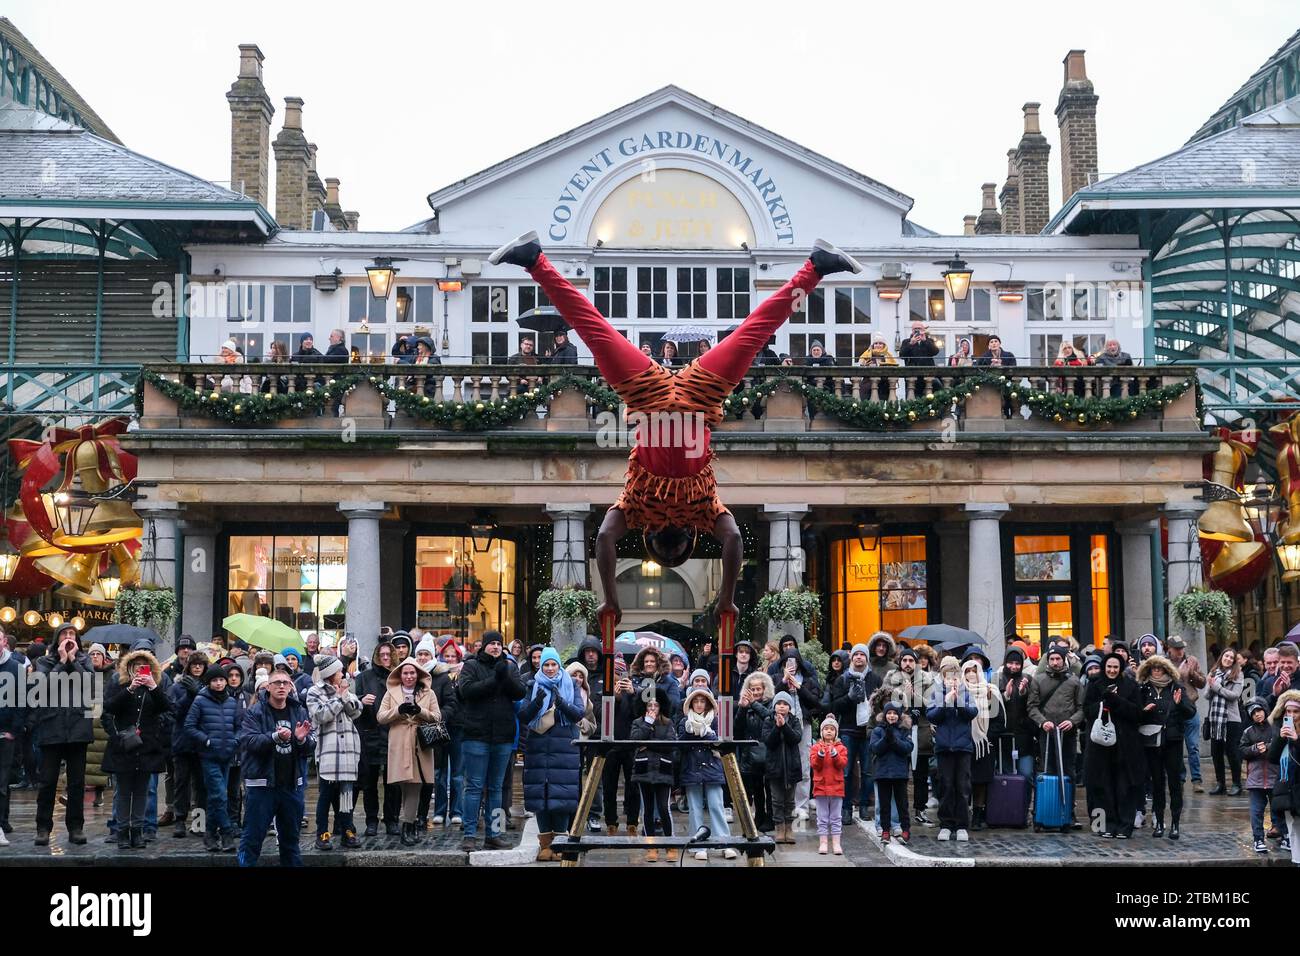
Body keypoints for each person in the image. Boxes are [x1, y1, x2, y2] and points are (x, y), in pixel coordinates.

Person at [491, 231, 861, 631]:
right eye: (676, 554)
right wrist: (726, 600)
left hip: (649, 393)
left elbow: (604, 540)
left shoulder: (637, 509)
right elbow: (733, 540)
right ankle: (817, 266)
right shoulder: (701, 511)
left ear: (655, 539)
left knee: (594, 327)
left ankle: (534, 260)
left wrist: (612, 601)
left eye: (667, 553)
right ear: (687, 540)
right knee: (753, 330)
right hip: (698, 395)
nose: (671, 549)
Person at [237, 670, 316, 867]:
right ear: (268, 687)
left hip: (291, 786)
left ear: (290, 687)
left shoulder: (299, 711)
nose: (281, 686)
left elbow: (310, 747)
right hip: (262, 786)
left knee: (290, 842)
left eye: (285, 683)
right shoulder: (255, 712)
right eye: (276, 683)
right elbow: (249, 742)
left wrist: (301, 739)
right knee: (252, 839)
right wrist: (276, 737)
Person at [457, 631, 526, 851]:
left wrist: (504, 676)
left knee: (496, 788)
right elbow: (467, 691)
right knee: (475, 787)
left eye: (499, 643)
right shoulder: (471, 666)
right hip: (476, 735)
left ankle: (494, 833)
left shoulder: (509, 667)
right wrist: (494, 679)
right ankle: (469, 834)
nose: (496, 647)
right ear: (484, 646)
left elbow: (520, 692)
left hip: (502, 737)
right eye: (492, 643)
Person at [102, 643, 171, 850]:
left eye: (144, 665)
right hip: (124, 744)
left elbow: (166, 707)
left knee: (142, 791)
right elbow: (110, 708)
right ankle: (122, 831)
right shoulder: (119, 683)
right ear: (129, 667)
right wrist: (130, 689)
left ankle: (138, 831)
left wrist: (152, 686)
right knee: (123, 791)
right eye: (136, 665)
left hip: (147, 746)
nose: (140, 669)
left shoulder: (154, 686)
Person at [518, 647, 584, 861]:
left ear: (559, 665)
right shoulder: (532, 684)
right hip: (538, 748)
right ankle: (545, 846)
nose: (549, 668)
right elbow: (524, 715)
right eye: (546, 664)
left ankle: (560, 844)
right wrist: (537, 700)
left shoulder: (570, 683)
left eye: (553, 664)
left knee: (561, 796)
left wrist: (561, 702)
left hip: (564, 748)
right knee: (541, 796)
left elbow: (578, 713)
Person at [30, 626, 94, 846]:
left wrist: (73, 660)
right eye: (64, 635)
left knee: (76, 783)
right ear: (57, 639)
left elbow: (89, 684)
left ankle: (75, 827)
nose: (68, 638)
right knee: (47, 782)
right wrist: (61, 661)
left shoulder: (85, 661)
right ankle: (43, 828)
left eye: (72, 635)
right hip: (52, 727)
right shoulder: (44, 662)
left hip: (77, 728)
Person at [377, 658, 441, 846]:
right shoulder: (391, 693)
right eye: (405, 673)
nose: (409, 676)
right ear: (400, 675)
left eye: (412, 672)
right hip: (399, 741)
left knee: (415, 784)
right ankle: (410, 822)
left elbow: (437, 716)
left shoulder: (428, 693)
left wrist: (420, 711)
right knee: (403, 784)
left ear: (418, 674)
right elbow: (380, 717)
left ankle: (408, 826)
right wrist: (398, 710)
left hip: (420, 742)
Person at [1082, 653, 1144, 839]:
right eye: (1109, 666)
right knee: (1102, 786)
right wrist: (1104, 702)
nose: (1112, 670)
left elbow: (1136, 713)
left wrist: (1116, 700)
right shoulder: (1094, 685)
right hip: (1100, 745)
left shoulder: (1131, 686)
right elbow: (1087, 710)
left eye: (1115, 667)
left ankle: (1125, 825)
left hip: (1125, 745)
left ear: (1121, 668)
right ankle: (1105, 825)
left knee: (1124, 786)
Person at [304, 655, 363, 851]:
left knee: (346, 793)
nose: (342, 674)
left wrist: (345, 696)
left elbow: (356, 712)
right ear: (330, 674)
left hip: (348, 751)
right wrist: (338, 698)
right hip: (329, 751)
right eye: (339, 671)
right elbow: (321, 715)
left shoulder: (345, 689)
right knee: (326, 795)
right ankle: (322, 833)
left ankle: (347, 830)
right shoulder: (315, 691)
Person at [184, 664, 243, 852]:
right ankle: (226, 833)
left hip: (227, 755)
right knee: (219, 795)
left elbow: (240, 726)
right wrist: (206, 741)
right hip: (209, 755)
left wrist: (236, 741)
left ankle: (210, 834)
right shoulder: (200, 701)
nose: (218, 683)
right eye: (215, 680)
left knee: (215, 798)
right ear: (209, 683)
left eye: (221, 680)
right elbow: (189, 726)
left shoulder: (232, 702)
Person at [1137, 654, 1196, 839]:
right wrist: (1143, 711)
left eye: (1160, 668)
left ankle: (1175, 824)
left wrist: (1179, 705)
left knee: (1174, 783)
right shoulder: (1144, 689)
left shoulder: (1176, 687)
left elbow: (1190, 712)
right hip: (1152, 742)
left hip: (1172, 741)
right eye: (1153, 668)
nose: (1156, 671)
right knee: (1156, 783)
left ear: (1166, 670)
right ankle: (1160, 823)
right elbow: (1135, 714)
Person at [826, 643, 881, 826]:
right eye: (856, 655)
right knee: (846, 772)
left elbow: (881, 703)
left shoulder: (875, 678)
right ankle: (847, 808)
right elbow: (834, 706)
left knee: (867, 771)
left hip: (868, 730)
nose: (858, 657)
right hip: (848, 729)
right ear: (852, 658)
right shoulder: (843, 679)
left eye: (862, 655)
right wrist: (849, 698)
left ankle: (864, 805)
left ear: (866, 658)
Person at [767, 635, 822, 818]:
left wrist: (799, 687)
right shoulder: (776, 676)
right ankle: (784, 806)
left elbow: (815, 702)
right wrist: (784, 681)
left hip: (802, 724)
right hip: (781, 726)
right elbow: (770, 698)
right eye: (788, 660)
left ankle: (802, 806)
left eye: (795, 660)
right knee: (782, 765)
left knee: (804, 765)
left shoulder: (807, 679)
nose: (792, 664)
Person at [679, 687, 736, 861]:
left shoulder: (716, 721)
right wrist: (693, 734)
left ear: (708, 703)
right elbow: (680, 744)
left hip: (713, 768)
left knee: (716, 805)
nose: (699, 704)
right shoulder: (684, 722)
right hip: (692, 768)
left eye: (702, 701)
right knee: (695, 808)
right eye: (695, 701)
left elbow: (721, 742)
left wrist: (708, 735)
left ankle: (723, 842)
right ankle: (698, 844)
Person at [882, 646, 937, 825]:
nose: (907, 664)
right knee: (899, 774)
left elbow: (932, 705)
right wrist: (904, 698)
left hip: (921, 731)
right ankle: (898, 813)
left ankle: (920, 810)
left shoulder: (927, 680)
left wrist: (915, 695)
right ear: (900, 662)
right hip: (899, 732)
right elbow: (886, 704)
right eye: (904, 660)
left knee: (920, 774)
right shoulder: (891, 679)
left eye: (911, 660)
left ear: (916, 663)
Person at [926, 656, 978, 842]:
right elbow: (932, 716)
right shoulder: (936, 693)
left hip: (963, 747)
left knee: (963, 786)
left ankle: (962, 824)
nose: (951, 680)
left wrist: (958, 702)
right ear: (942, 676)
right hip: (944, 747)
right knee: (946, 786)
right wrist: (945, 702)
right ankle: (946, 824)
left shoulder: (966, 693)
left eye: (954, 676)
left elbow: (972, 713)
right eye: (948, 676)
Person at [354, 639, 399, 836]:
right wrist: (362, 701)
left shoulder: (398, 676)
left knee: (393, 782)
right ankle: (371, 820)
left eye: (389, 655)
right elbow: (353, 705)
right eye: (382, 655)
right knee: (369, 782)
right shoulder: (365, 677)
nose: (386, 658)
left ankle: (392, 820)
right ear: (376, 657)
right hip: (370, 733)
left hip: (394, 733)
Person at [1027, 645, 1084, 791]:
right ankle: (1049, 807)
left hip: (1068, 733)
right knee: (1048, 769)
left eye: (1058, 659)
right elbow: (1032, 707)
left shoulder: (1074, 681)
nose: (1055, 662)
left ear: (1064, 660)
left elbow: (1082, 708)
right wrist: (1043, 722)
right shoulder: (1038, 680)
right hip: (1047, 733)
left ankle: (1069, 810)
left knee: (1069, 770)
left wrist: (1072, 721)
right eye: (1051, 659)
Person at [630, 687, 678, 862]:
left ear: (661, 707)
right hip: (644, 770)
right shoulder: (638, 722)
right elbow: (636, 740)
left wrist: (648, 744)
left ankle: (670, 844)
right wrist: (648, 723)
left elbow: (671, 746)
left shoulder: (668, 723)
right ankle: (651, 845)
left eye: (655, 705)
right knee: (648, 810)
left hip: (663, 770)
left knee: (664, 808)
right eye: (649, 705)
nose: (652, 709)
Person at [962, 654, 1005, 832]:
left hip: (985, 744)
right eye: (968, 671)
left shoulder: (990, 690)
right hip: (964, 743)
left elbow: (999, 720)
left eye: (974, 670)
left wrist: (986, 737)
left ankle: (979, 815)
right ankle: (965, 814)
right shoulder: (959, 691)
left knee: (981, 781)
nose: (971, 674)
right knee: (965, 780)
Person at [427, 638, 464, 828]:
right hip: (439, 725)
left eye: (453, 656)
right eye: (446, 656)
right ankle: (440, 811)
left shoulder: (464, 674)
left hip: (458, 727)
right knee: (439, 771)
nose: (450, 659)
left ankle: (457, 811)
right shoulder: (436, 675)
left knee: (457, 773)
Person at [1165, 636, 1207, 792]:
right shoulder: (1164, 662)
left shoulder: (1191, 660)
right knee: (1176, 746)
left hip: (1190, 707)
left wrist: (1193, 673)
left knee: (1193, 745)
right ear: (1169, 649)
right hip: (1173, 710)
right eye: (1176, 649)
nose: (1180, 651)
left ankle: (1197, 780)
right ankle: (1180, 778)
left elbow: (1202, 683)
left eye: (1182, 648)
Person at [869, 702, 913, 846]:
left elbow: (908, 747)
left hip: (900, 773)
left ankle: (906, 829)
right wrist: (885, 739)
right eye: (889, 713)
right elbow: (875, 748)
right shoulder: (877, 730)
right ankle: (885, 830)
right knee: (884, 804)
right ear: (885, 715)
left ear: (899, 715)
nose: (892, 716)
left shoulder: (905, 730)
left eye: (895, 713)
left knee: (902, 804)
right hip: (883, 773)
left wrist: (894, 741)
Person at [763, 690, 804, 846]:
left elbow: (796, 738)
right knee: (776, 800)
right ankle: (779, 827)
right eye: (779, 704)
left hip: (791, 767)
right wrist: (777, 727)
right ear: (774, 706)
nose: (781, 707)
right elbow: (768, 741)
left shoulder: (794, 721)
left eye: (785, 704)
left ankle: (789, 827)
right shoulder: (768, 720)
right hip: (775, 767)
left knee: (790, 801)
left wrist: (784, 726)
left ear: (789, 707)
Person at [737, 670, 775, 832]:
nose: (756, 692)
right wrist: (742, 709)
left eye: (759, 689)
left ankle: (771, 817)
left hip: (769, 752)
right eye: (752, 689)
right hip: (750, 753)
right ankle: (759, 815)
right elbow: (737, 729)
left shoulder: (772, 703)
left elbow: (769, 718)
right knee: (756, 787)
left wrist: (753, 704)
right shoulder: (746, 705)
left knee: (770, 788)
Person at [994, 646, 1037, 782]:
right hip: (1003, 736)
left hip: (1024, 735)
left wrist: (1024, 692)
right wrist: (1005, 694)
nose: (1014, 666)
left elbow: (1033, 704)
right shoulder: (997, 679)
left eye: (1017, 663)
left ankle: (1024, 802)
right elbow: (993, 706)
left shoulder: (1028, 678)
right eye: (1010, 663)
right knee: (1006, 776)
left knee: (1026, 773)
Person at [1266, 690, 1300, 863]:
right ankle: (1296, 860)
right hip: (1286, 786)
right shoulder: (1282, 730)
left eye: (1296, 711)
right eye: (1289, 711)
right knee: (1292, 827)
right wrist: (1280, 739)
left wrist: (1296, 739)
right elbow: (1272, 759)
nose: (1292, 715)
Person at [1206, 648, 1245, 795]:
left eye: (1231, 657)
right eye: (1226, 656)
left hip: (1231, 719)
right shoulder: (1214, 672)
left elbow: (1234, 695)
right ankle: (1220, 783)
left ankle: (1236, 784)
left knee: (1232, 752)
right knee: (1216, 753)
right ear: (1221, 656)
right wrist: (1211, 687)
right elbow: (1206, 695)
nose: (1228, 659)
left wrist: (1216, 687)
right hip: (1215, 718)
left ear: (1234, 661)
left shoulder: (1238, 674)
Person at [809, 712, 849, 854]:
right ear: (822, 731)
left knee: (836, 817)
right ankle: (823, 842)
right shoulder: (815, 748)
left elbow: (843, 764)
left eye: (832, 729)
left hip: (837, 788)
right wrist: (820, 755)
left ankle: (836, 843)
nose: (829, 731)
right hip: (821, 788)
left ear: (836, 732)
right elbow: (814, 765)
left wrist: (835, 754)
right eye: (826, 729)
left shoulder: (841, 748)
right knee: (822, 817)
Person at [1241, 700, 1278, 853]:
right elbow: (1242, 749)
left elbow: (1280, 744)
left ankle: (1285, 836)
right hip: (1255, 779)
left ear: (1265, 710)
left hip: (1274, 777)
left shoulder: (1275, 728)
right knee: (1256, 811)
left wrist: (1268, 747)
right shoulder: (1248, 731)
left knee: (1279, 810)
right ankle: (1258, 839)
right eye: (1253, 713)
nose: (1257, 714)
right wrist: (1255, 748)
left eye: (1259, 710)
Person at [0, 629, 25, 842]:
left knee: (2, 780)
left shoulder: (15, 667)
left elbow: (21, 699)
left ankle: (2, 821)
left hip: (5, 732)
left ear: (4, 642)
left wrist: (14, 730)